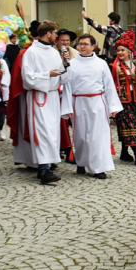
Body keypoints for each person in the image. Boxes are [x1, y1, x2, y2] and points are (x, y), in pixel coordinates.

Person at [19, 20, 71, 185]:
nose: (57, 36)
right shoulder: (31, 52)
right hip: (39, 96)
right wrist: (47, 75)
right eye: (55, 33)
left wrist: (64, 64)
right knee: (42, 132)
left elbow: (63, 76)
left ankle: (48, 164)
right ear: (48, 33)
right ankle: (43, 169)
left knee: (52, 132)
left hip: (53, 96)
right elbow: (27, 78)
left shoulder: (54, 52)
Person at [67, 34, 122, 179]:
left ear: (93, 46)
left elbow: (109, 85)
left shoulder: (101, 64)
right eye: (80, 44)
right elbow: (67, 87)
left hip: (97, 102)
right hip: (78, 102)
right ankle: (81, 162)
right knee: (81, 136)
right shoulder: (71, 64)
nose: (82, 47)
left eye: (85, 44)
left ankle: (98, 167)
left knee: (97, 136)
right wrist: (67, 107)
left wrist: (113, 107)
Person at [111, 30, 136, 166]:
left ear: (129, 52)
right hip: (123, 102)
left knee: (133, 126)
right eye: (118, 50)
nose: (120, 53)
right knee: (129, 127)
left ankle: (124, 152)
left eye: (123, 50)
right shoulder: (114, 67)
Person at [56, 28, 78, 163]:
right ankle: (65, 148)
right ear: (57, 41)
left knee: (74, 122)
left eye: (68, 40)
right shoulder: (52, 53)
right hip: (58, 92)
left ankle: (73, 150)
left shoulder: (75, 54)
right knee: (61, 123)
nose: (65, 43)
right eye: (63, 40)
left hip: (73, 91)